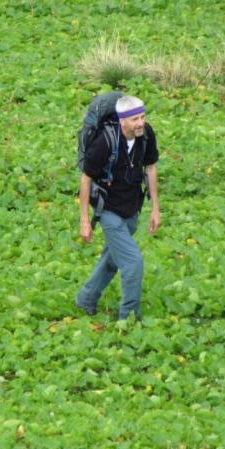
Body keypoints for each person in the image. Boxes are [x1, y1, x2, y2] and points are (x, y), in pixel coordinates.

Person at [75, 95, 160, 320]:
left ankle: (86, 298)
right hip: (108, 210)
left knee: (112, 259)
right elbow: (86, 178)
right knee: (133, 261)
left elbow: (150, 168)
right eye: (134, 119)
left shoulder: (146, 134)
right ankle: (128, 316)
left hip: (132, 208)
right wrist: (84, 220)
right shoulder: (105, 141)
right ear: (122, 121)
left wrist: (155, 208)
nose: (140, 123)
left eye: (142, 117)